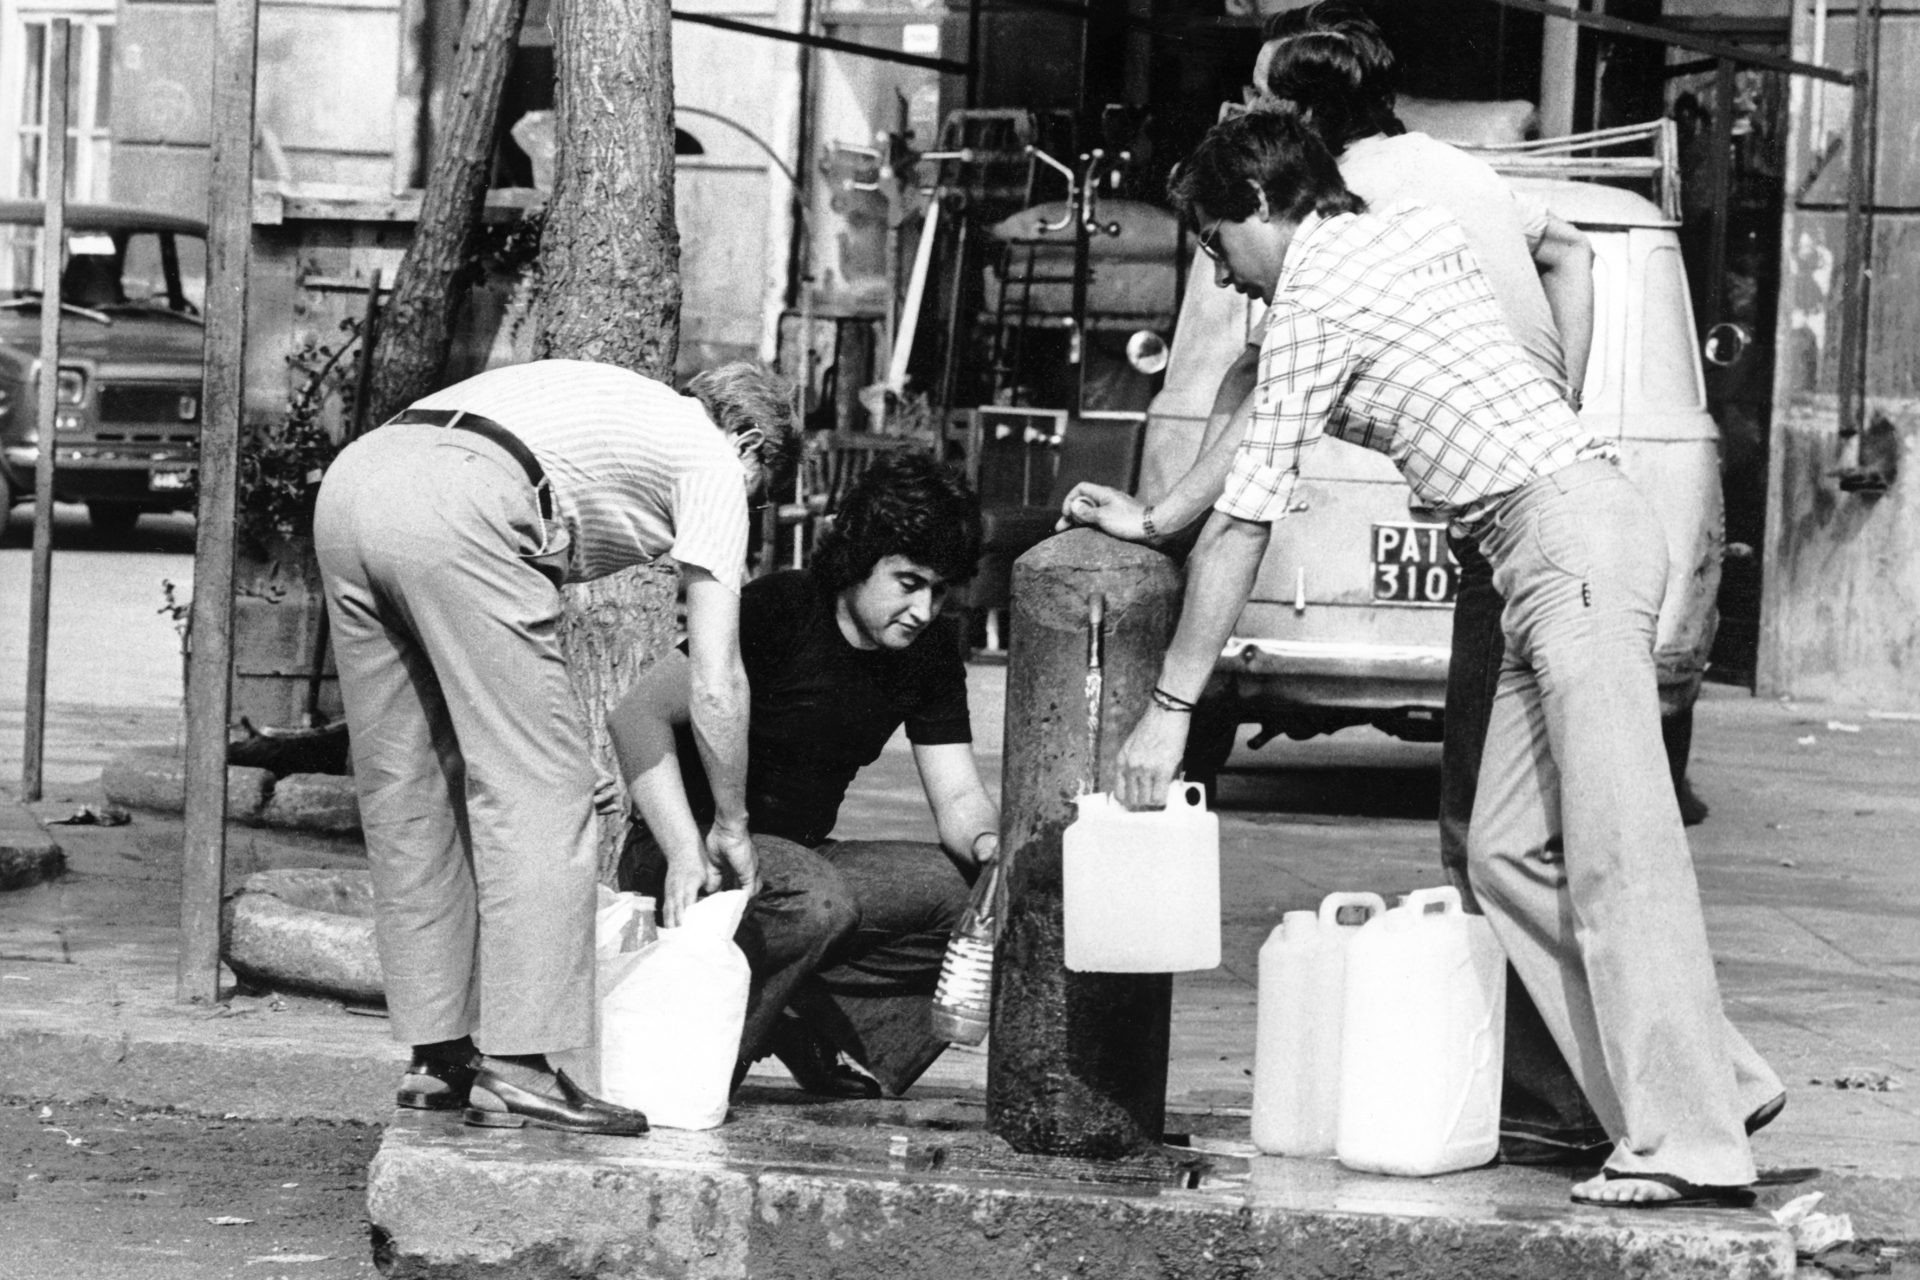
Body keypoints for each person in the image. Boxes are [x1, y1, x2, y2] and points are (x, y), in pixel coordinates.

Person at [1063, 109, 1783, 1208]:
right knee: (1501, 851)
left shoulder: (1316, 287)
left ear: (1262, 205)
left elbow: (1248, 522)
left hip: (1565, 540)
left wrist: (1170, 706)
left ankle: (1694, 1136)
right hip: (1545, 541)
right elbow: (1260, 396)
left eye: (1216, 243)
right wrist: (1157, 515)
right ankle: (1716, 1080)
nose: (1223, 273)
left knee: (1615, 853)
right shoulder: (1397, 233)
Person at [1149, 2, 1615, 1165]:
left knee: (1496, 837)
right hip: (1548, 495)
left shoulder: (1339, 226)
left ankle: (1574, 1100)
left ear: (1291, 137)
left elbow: (1261, 431)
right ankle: (1593, 1093)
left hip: (1527, 526)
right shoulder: (1450, 177)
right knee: (1524, 834)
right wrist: (1552, 393)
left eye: (1254, 107)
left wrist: (1171, 690)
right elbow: (1572, 253)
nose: (1238, 121)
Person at [314, 357, 799, 1136]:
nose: (742, 512)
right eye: (760, 493)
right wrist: (730, 823)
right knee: (544, 790)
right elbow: (715, 681)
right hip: (464, 503)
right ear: (750, 442)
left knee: (411, 785)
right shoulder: (710, 454)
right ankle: (520, 1067)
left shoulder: (624, 407)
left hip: (355, 484)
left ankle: (438, 1058)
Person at [608, 452, 998, 1099]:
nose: (924, 609)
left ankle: (794, 1013)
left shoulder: (928, 655)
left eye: (938, 590)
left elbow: (959, 796)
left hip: (797, 864)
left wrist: (993, 855)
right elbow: (635, 717)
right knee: (819, 903)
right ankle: (699, 1069)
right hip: (685, 856)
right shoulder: (781, 609)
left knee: (977, 904)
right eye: (907, 582)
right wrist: (680, 847)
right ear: (859, 559)